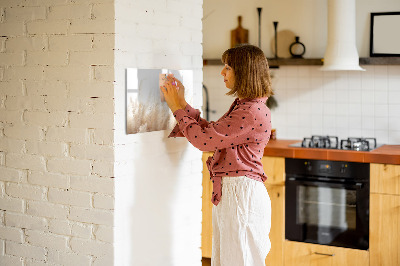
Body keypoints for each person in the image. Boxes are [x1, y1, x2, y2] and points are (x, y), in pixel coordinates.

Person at [161, 44, 273, 266]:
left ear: (244, 72)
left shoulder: (250, 111)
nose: (222, 72)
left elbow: (204, 141)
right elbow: (212, 133)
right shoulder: (246, 106)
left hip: (241, 195)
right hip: (236, 193)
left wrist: (176, 107)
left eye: (228, 67)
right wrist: (182, 104)